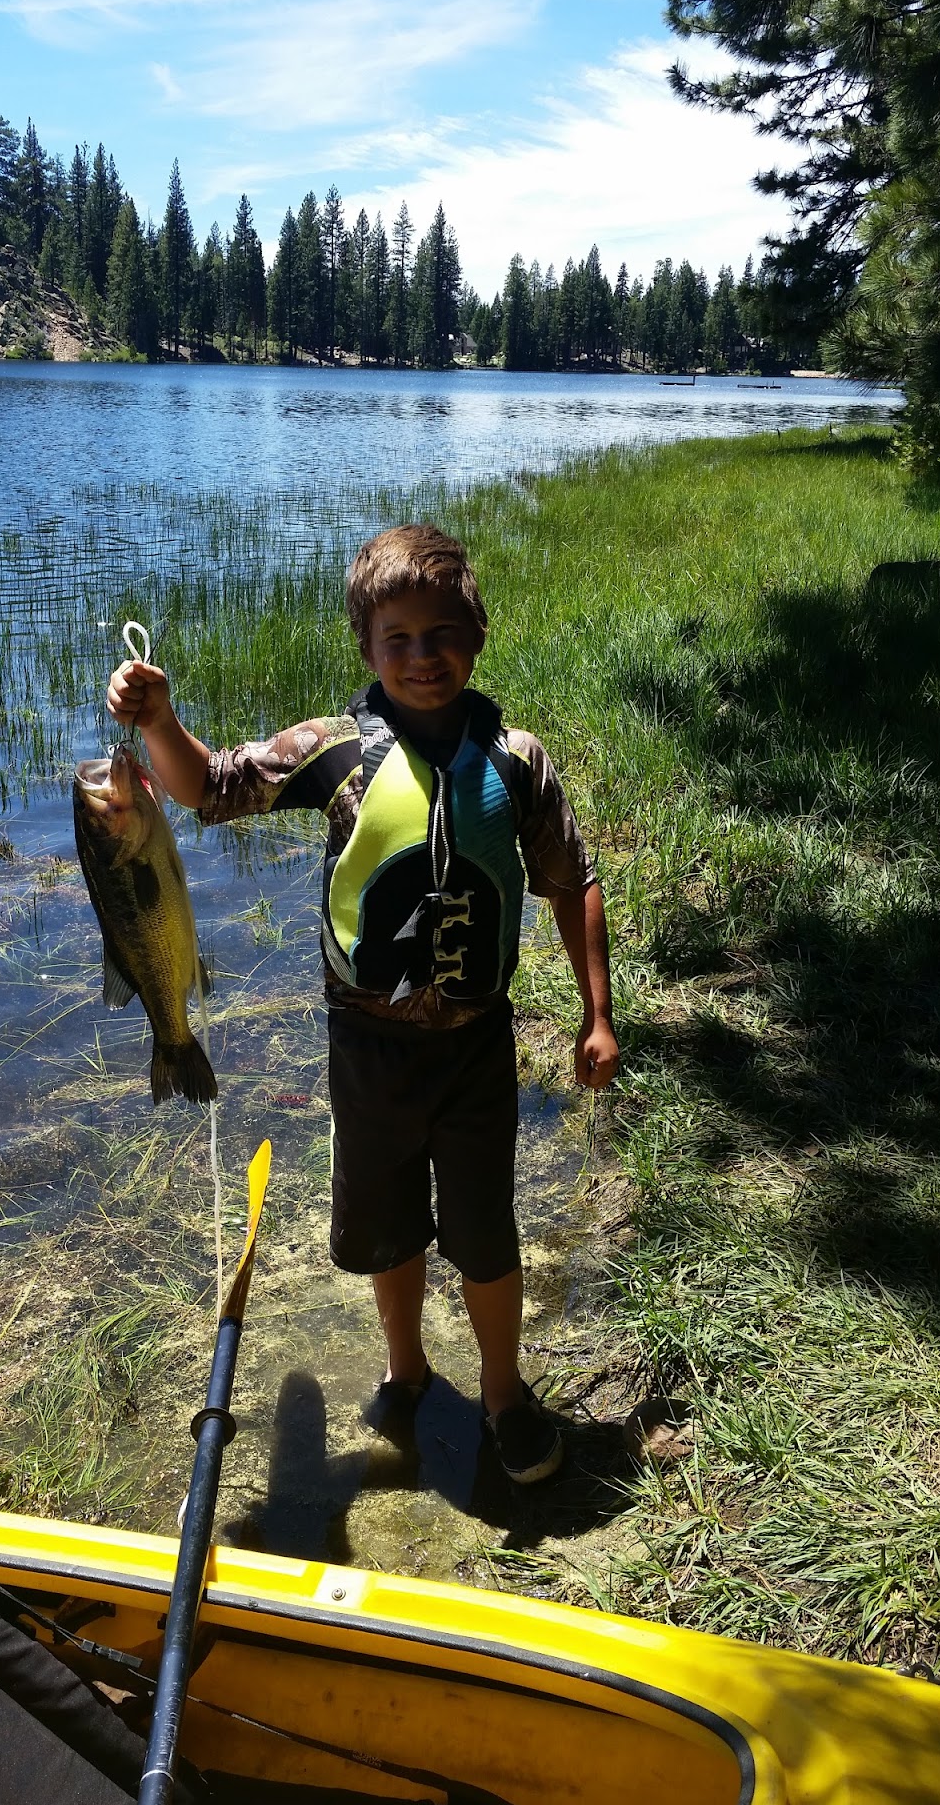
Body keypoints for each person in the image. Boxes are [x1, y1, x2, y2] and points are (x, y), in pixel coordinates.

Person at [106, 524, 620, 1484]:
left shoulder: (515, 759)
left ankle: (504, 1394)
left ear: (476, 636)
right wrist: (157, 723)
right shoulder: (334, 751)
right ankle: (406, 1366)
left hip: (475, 1047)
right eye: (398, 640)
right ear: (367, 650)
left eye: (442, 635)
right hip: (366, 1046)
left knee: (483, 1228)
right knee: (386, 1224)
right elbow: (207, 787)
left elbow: (570, 879)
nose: (423, 658)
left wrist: (595, 1011)